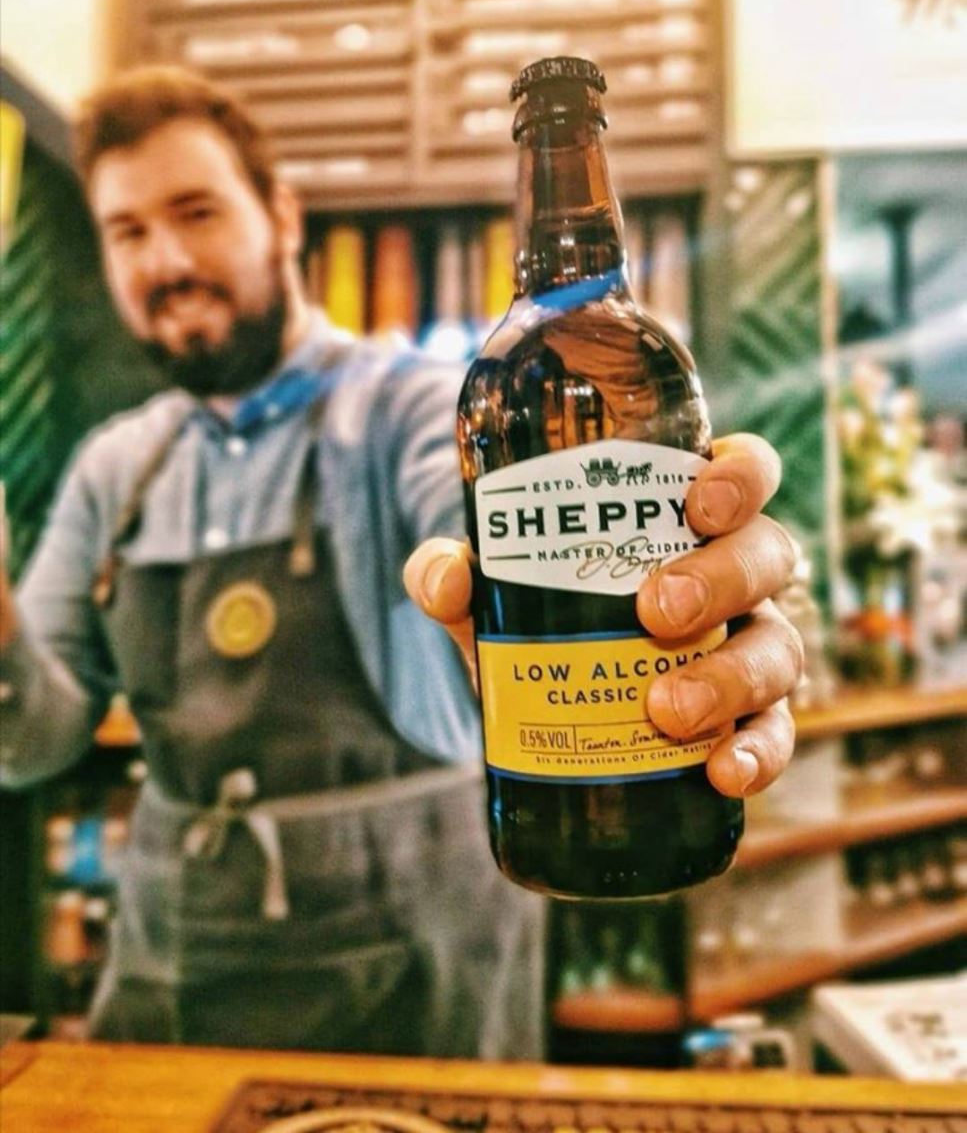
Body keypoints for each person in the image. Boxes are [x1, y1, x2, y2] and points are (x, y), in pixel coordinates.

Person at [0, 66, 804, 1057]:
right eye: (127, 231)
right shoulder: (111, 468)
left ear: (282, 216)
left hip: (422, 969)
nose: (163, 258)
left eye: (196, 211)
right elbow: (31, 742)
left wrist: (662, 601)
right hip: (176, 963)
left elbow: (473, 536)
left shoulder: (417, 406)